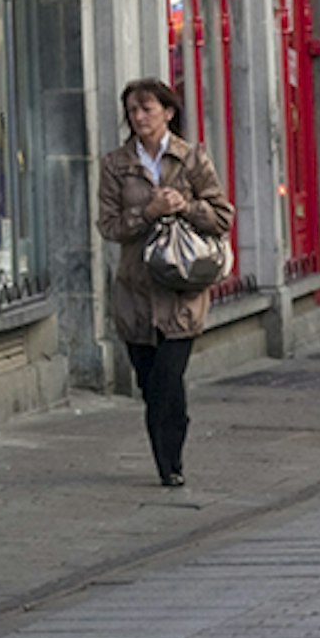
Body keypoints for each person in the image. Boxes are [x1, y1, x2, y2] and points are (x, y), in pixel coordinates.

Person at [97, 76, 234, 489]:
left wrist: (186, 206)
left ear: (168, 113)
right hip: (136, 291)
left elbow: (222, 216)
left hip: (181, 289)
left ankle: (169, 462)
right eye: (133, 111)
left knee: (169, 377)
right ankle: (166, 440)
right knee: (150, 383)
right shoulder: (115, 165)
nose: (139, 117)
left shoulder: (192, 159)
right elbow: (109, 226)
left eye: (147, 109)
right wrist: (148, 212)